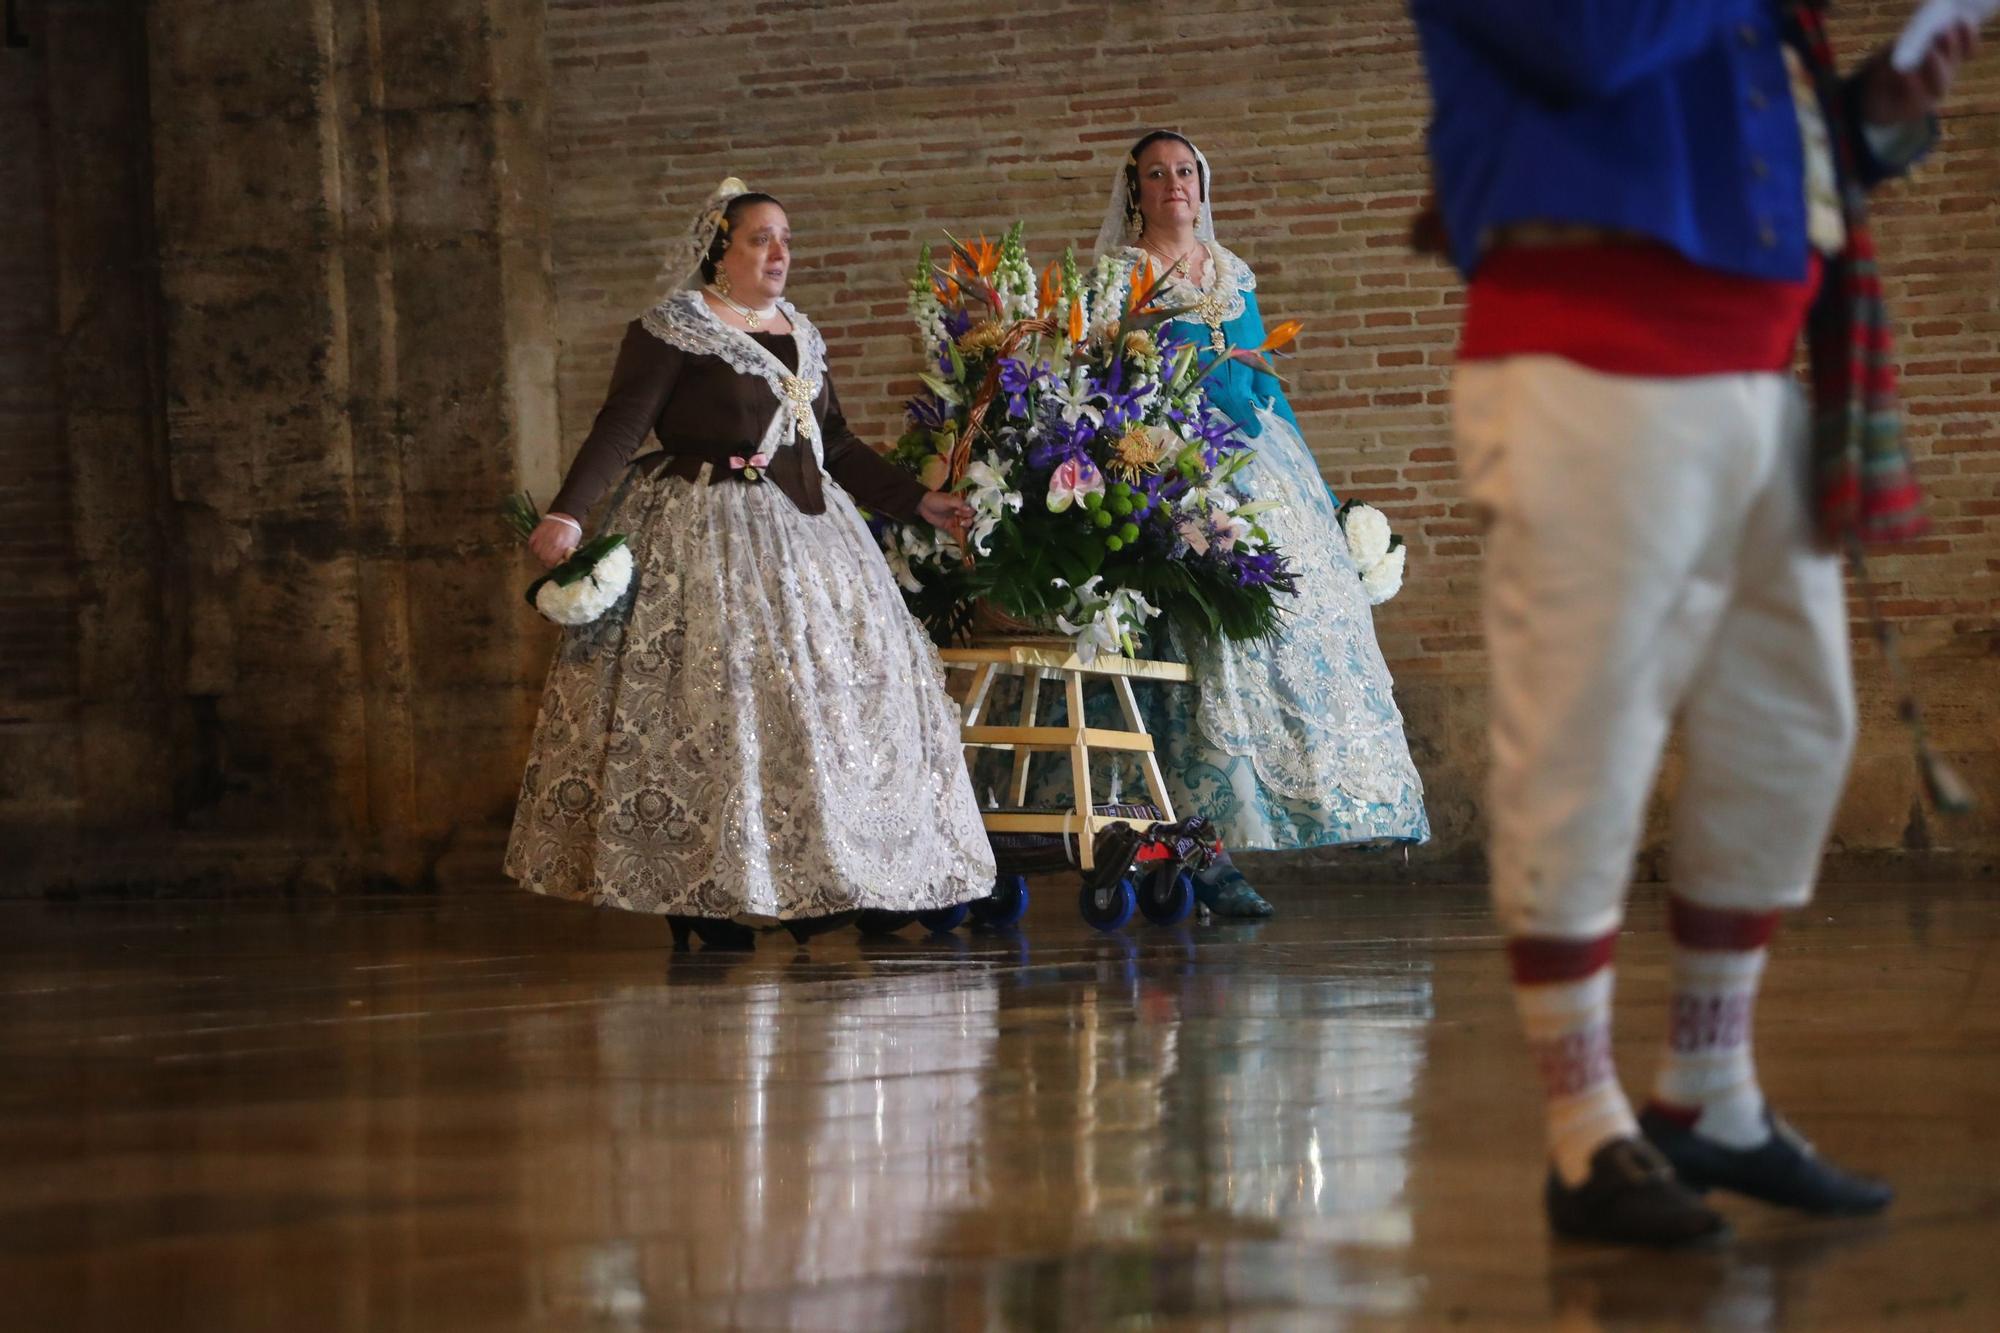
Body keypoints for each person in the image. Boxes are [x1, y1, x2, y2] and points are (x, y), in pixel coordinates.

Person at [1410, 1, 1979, 1245]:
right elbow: (1589, 48)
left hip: (1749, 373)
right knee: (1583, 743)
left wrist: (1868, 116)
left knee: (1791, 731)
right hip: (1583, 365)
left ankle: (1707, 1094)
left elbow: (1729, 139)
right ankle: (1580, 1129)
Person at [505, 179, 996, 949]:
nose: (779, 253)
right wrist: (570, 511)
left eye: (786, 239)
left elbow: (832, 443)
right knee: (725, 704)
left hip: (813, 535)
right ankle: (704, 890)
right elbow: (623, 423)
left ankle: (845, 872)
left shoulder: (800, 329)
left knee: (843, 694)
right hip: (707, 530)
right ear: (719, 249)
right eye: (761, 238)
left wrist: (916, 502)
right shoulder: (674, 329)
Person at [1086, 130, 1431, 917]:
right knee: (1214, 650)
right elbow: (1102, 378)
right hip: (1175, 463)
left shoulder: (1233, 271)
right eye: (1157, 173)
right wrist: (1150, 460)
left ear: (1202, 186)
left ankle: (1331, 800)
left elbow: (1265, 376)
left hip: (1265, 460)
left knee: (1311, 611)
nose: (1174, 183)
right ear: (1134, 191)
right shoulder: (1118, 275)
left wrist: (1324, 492)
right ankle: (1198, 842)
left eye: (1186, 171)